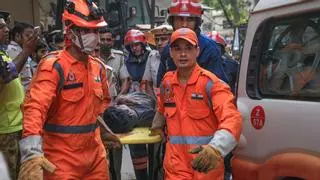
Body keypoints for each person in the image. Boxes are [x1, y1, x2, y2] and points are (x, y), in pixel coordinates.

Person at [18, 0, 119, 179]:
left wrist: (105, 133)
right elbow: (34, 109)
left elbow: (95, 111)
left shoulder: (98, 68)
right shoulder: (54, 67)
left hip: (95, 159)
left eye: (96, 30)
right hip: (61, 161)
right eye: (87, 30)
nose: (94, 36)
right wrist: (31, 155)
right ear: (71, 32)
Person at [150, 28, 242, 180]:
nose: (183, 54)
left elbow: (233, 119)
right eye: (177, 49)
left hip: (205, 166)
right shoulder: (167, 82)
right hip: (175, 168)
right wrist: (157, 125)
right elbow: (163, 108)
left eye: (188, 48)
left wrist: (216, 148)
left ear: (197, 51)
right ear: (171, 53)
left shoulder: (211, 84)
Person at [156, 0, 228, 88]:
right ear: (172, 21)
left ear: (196, 22)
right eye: (180, 19)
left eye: (189, 19)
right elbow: (161, 86)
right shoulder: (167, 49)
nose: (184, 24)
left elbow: (220, 88)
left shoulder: (210, 48)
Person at [0, 17, 37, 180]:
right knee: (9, 174)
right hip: (5, 129)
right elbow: (5, 77)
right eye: (1, 27)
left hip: (16, 123)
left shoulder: (2, 53)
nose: (7, 29)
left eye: (6, 26)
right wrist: (27, 51)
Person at [123, 29, 152, 180]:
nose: (135, 48)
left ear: (143, 44)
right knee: (137, 144)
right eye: (132, 46)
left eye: (137, 45)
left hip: (151, 103)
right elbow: (125, 83)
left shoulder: (152, 57)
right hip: (134, 103)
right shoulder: (126, 62)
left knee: (155, 144)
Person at [143, 24, 173, 96]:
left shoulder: (177, 57)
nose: (159, 43)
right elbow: (148, 83)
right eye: (157, 39)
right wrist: (155, 102)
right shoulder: (152, 56)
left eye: (163, 39)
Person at [100, 28, 130, 97]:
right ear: (98, 41)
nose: (105, 42)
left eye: (108, 40)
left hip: (115, 98)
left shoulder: (119, 57)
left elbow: (125, 80)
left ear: (112, 42)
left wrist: (118, 99)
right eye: (102, 40)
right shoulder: (92, 58)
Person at [7, 22, 35, 90]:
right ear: (17, 36)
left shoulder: (24, 49)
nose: (31, 38)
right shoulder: (11, 50)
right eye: (28, 35)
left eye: (33, 36)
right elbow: (12, 73)